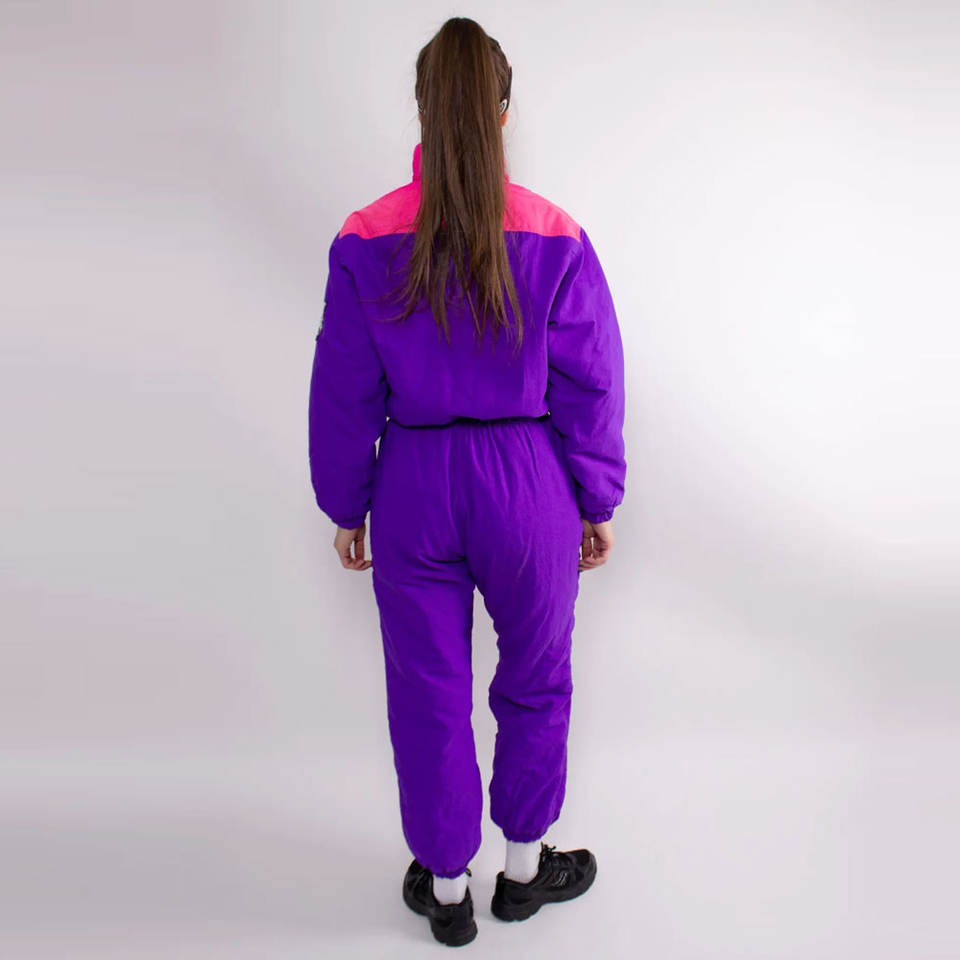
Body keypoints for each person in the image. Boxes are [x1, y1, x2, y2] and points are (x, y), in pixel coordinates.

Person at [308, 17, 626, 947]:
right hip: (527, 485)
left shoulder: (364, 235)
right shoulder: (555, 233)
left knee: (429, 692)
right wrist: (596, 498)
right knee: (536, 679)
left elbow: (343, 386)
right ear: (503, 112)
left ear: (423, 108)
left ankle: (447, 891)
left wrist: (346, 503)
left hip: (413, 481)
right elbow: (591, 380)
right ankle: (523, 874)